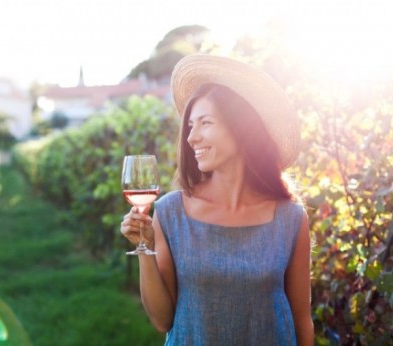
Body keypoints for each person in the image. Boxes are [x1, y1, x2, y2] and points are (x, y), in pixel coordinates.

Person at [120, 53, 314, 345]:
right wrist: (144, 247)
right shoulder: (171, 212)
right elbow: (162, 320)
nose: (191, 138)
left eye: (205, 123)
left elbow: (301, 318)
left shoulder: (290, 218)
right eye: (190, 126)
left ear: (241, 128)